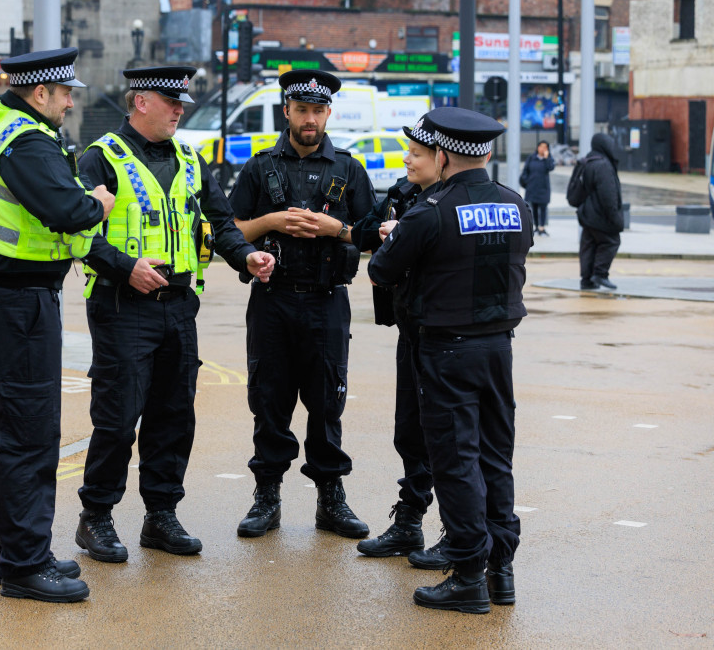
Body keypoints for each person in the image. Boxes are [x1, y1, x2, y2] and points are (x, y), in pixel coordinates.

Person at [74, 66, 275, 563]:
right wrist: (126, 269)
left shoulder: (191, 158)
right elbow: (79, 233)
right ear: (141, 102)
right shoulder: (101, 158)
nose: (181, 109)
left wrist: (244, 257)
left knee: (173, 417)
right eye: (171, 101)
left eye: (182, 101)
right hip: (123, 306)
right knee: (118, 419)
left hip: (180, 308)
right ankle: (95, 517)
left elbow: (220, 221)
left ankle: (160, 516)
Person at [0, 47, 115, 603]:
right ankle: (25, 564)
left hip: (4, 299)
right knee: (29, 435)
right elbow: (68, 211)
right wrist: (98, 200)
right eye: (65, 93)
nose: (71, 101)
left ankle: (14, 554)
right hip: (19, 304)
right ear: (40, 93)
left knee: (10, 434)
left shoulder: (0, 126)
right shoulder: (26, 141)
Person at [368, 107, 534, 614]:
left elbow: (380, 270)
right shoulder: (516, 204)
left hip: (446, 350)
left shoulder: (432, 210)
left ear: (442, 154)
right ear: (485, 153)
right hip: (498, 348)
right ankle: (499, 571)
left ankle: (466, 574)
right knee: (493, 456)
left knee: (456, 460)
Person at [227, 69, 376, 540]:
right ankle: (266, 497)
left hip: (327, 302)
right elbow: (227, 231)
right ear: (287, 111)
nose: (310, 119)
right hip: (272, 303)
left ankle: (330, 499)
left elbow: (374, 235)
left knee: (327, 401)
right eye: (302, 110)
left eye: (318, 111)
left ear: (328, 113)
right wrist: (270, 220)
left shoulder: (350, 170)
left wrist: (337, 230)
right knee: (269, 400)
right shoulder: (258, 168)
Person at [354, 113, 447, 567]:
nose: (407, 160)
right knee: (408, 429)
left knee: (446, 436)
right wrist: (389, 234)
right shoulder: (404, 192)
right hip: (410, 327)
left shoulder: (449, 201)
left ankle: (454, 531)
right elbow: (366, 229)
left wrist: (406, 238)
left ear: (441, 158)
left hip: (443, 332)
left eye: (416, 154)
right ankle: (409, 522)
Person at [577, 133, 623, 290]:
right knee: (612, 241)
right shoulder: (603, 165)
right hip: (600, 215)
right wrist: (616, 218)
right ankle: (600, 273)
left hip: (587, 214)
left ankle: (586, 280)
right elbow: (608, 195)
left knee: (588, 245)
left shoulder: (588, 162)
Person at [520, 141, 555, 236]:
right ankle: (536, 227)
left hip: (543, 188)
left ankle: (542, 228)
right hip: (532, 187)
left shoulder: (548, 159)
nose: (542, 149)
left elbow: (551, 167)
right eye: (541, 146)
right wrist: (527, 181)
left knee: (543, 208)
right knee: (533, 208)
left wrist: (547, 157)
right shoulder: (531, 158)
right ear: (537, 147)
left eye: (545, 147)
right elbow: (525, 171)